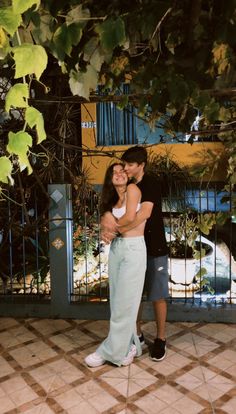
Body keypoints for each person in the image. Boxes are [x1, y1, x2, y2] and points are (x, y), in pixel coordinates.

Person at [101, 146, 169, 361]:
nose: (126, 169)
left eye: (130, 165)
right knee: (133, 296)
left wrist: (116, 231)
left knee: (157, 295)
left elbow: (143, 214)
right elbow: (111, 205)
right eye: (125, 165)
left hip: (154, 247)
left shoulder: (150, 183)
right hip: (132, 249)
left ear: (142, 165)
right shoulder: (127, 185)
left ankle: (160, 339)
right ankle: (137, 335)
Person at [85, 163, 147, 368]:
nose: (119, 174)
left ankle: (111, 351)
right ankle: (130, 345)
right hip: (117, 250)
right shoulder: (112, 201)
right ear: (110, 179)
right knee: (118, 303)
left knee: (125, 303)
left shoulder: (132, 189)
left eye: (122, 170)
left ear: (128, 175)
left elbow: (131, 218)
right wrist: (106, 218)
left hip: (133, 249)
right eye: (114, 172)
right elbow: (107, 225)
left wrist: (111, 227)